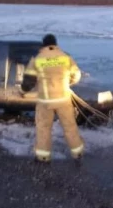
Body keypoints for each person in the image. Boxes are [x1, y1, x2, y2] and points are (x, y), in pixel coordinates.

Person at [21, 34, 84, 164]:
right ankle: (77, 153)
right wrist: (69, 82)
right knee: (70, 127)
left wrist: (22, 91)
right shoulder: (65, 57)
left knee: (44, 128)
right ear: (55, 44)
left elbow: (29, 81)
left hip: (45, 102)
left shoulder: (37, 59)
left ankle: (43, 157)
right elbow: (77, 75)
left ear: (43, 45)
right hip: (64, 100)